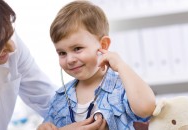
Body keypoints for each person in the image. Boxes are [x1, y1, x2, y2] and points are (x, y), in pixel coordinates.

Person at [0, 0, 104, 130]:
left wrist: (91, 115)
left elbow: (48, 99)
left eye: (8, 34)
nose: (12, 47)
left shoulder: (6, 41)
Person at [40, 1, 156, 130]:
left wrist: (121, 66)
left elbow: (147, 108)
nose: (70, 59)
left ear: (103, 45)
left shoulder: (121, 88)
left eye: (77, 48)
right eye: (62, 53)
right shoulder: (60, 98)